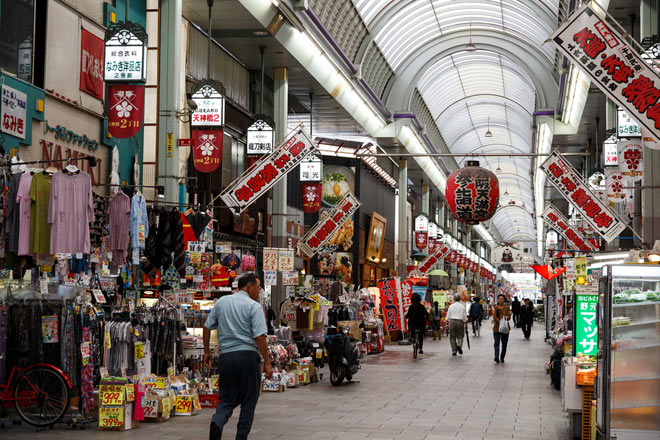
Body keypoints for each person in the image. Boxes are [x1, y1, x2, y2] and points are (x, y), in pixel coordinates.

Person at [203, 273, 273, 440]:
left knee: (226, 399)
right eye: (258, 286)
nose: (259, 291)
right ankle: (241, 437)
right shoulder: (254, 306)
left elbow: (207, 327)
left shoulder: (222, 302)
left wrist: (207, 351)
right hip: (247, 357)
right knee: (249, 401)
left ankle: (218, 421)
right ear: (248, 287)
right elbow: (260, 337)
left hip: (226, 357)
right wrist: (268, 363)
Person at [493, 294, 511, 363]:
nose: (500, 300)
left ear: (504, 300)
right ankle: (496, 357)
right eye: (499, 299)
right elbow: (494, 316)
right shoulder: (496, 307)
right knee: (496, 343)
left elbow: (508, 317)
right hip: (496, 328)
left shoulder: (507, 308)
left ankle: (502, 357)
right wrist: (499, 321)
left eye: (502, 299)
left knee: (504, 344)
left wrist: (503, 317)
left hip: (505, 328)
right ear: (498, 300)